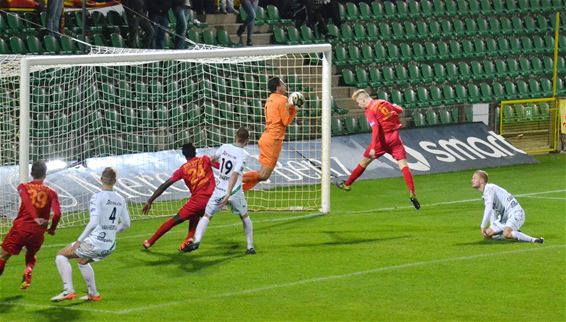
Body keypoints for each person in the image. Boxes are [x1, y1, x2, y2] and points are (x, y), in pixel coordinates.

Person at [51, 167, 131, 302]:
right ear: (115, 181)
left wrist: (79, 241)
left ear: (100, 179)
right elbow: (126, 224)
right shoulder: (120, 199)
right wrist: (112, 231)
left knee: (61, 255)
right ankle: (93, 294)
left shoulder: (97, 197)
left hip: (95, 243)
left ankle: (68, 290)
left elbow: (93, 222)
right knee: (82, 261)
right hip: (110, 246)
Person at [336, 89, 420, 210]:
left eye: (358, 103)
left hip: (381, 140)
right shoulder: (383, 102)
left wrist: (374, 147)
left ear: (363, 99)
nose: (359, 106)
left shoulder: (370, 110)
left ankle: (347, 184)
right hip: (395, 138)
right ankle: (412, 191)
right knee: (403, 165)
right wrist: (395, 106)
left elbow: (375, 129)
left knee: (364, 162)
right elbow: (400, 110)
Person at [182, 127, 255, 254]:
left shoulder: (224, 147)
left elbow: (212, 159)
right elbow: (235, 174)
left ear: (235, 135)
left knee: (206, 216)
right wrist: (228, 193)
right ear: (247, 141)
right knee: (244, 216)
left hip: (219, 189)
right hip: (233, 192)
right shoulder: (243, 154)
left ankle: (197, 240)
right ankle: (250, 247)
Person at [142, 143, 216, 250]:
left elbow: (165, 185)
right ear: (195, 151)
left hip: (198, 200)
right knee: (195, 215)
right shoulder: (205, 159)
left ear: (184, 155)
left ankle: (150, 241)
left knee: (175, 219)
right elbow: (221, 166)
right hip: (213, 200)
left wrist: (150, 200)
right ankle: (189, 238)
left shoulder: (183, 169)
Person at [0, 160, 61, 289]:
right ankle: (28, 270)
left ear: (31, 173)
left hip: (21, 229)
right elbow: (57, 214)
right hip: (37, 232)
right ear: (45, 174)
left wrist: (34, 217)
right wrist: (52, 229)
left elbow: (27, 201)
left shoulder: (23, 187)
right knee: (31, 254)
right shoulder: (52, 192)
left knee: (3, 255)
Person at [242, 77, 300, 192]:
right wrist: (294, 109)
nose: (285, 86)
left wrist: (290, 107)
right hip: (274, 139)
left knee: (263, 175)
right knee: (263, 175)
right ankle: (232, 180)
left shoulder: (270, 99)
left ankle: (235, 192)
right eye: (283, 84)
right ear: (278, 87)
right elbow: (286, 121)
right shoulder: (282, 99)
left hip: (266, 137)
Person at [471, 170, 544, 243]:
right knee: (487, 235)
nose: (472, 180)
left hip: (515, 213)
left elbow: (489, 209)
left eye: (474, 178)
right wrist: (493, 225)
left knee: (506, 234)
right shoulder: (486, 194)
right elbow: (492, 211)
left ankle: (534, 240)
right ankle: (514, 234)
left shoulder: (489, 188)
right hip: (504, 218)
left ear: (482, 180)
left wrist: (483, 226)